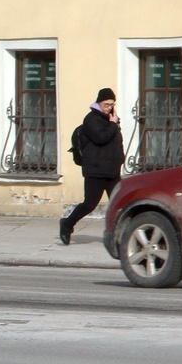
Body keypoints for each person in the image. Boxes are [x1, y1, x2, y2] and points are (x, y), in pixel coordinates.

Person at [58, 87, 124, 245]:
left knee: (119, 203)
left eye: (112, 104)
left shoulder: (111, 119)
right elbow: (101, 138)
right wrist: (113, 124)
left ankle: (119, 235)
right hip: (95, 170)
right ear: (99, 103)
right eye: (106, 104)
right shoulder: (91, 119)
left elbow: (115, 142)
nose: (109, 107)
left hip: (112, 170)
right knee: (89, 204)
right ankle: (67, 224)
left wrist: (120, 159)